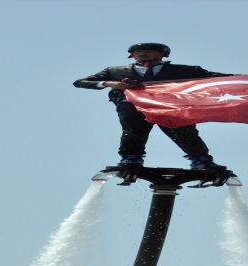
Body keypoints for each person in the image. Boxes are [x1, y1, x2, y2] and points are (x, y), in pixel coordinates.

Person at [73, 43, 232, 170]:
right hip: (132, 107)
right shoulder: (115, 71)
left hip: (169, 108)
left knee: (185, 133)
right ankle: (131, 159)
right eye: (138, 52)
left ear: (161, 54)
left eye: (148, 51)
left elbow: (217, 78)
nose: (142, 54)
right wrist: (109, 83)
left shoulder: (182, 70)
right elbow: (80, 82)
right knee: (133, 133)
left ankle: (201, 160)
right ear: (132, 55)